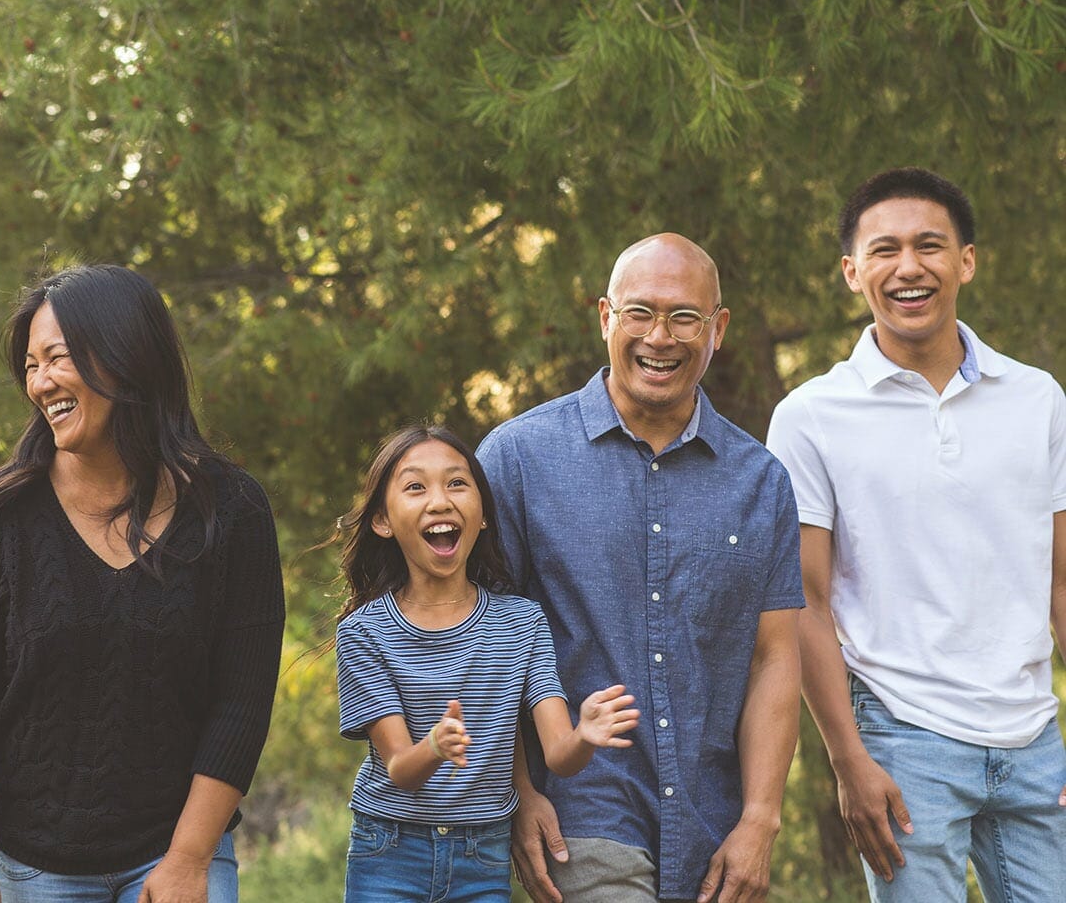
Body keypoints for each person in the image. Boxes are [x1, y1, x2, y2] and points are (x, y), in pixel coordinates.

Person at [0, 264, 285, 903]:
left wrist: (188, 859)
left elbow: (241, 704)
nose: (40, 383)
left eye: (57, 358)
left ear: (127, 355)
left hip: (179, 853)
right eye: (31, 366)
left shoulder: (232, 509)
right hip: (30, 866)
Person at [765, 167, 1066, 902]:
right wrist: (848, 759)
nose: (909, 267)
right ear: (852, 272)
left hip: (1035, 739)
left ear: (966, 261)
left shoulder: (1038, 399)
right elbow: (805, 600)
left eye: (929, 246)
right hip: (902, 740)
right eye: (885, 250)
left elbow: (1061, 580)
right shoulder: (810, 416)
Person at [476, 234, 804, 903]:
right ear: (606, 317)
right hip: (582, 813)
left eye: (684, 317)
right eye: (639, 313)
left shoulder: (761, 481)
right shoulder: (517, 459)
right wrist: (519, 791)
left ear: (718, 329)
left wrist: (760, 819)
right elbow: (478, 641)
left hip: (714, 826)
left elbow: (774, 656)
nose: (660, 337)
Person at [332, 424, 639, 903]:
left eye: (457, 483)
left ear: (483, 517)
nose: (440, 501)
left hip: (483, 858)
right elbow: (399, 768)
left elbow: (559, 755)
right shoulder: (364, 632)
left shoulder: (522, 623)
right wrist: (434, 746)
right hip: (389, 851)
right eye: (416, 487)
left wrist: (584, 735)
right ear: (382, 521)